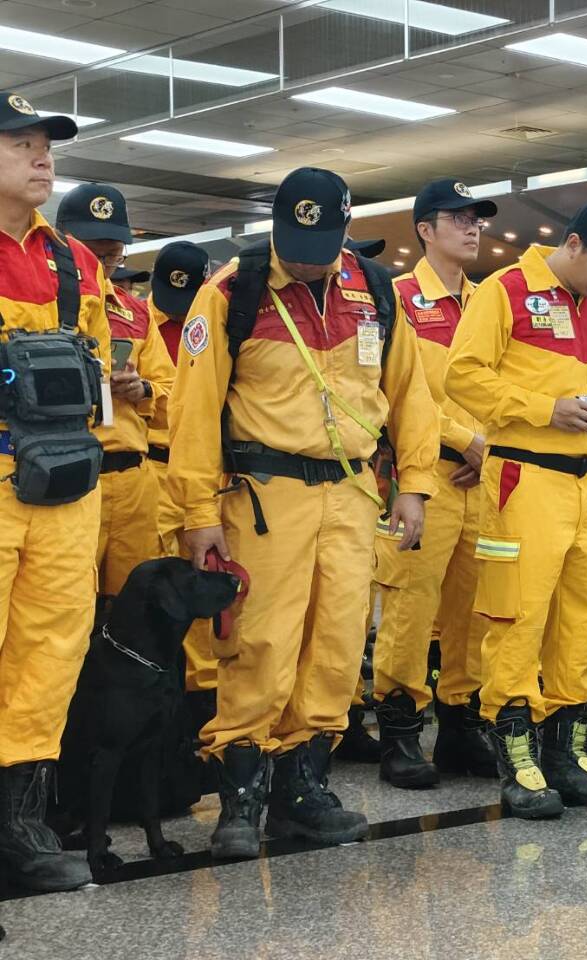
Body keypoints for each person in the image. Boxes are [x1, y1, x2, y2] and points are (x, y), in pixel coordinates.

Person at [169, 167, 439, 858]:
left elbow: (411, 395)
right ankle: (241, 796)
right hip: (264, 496)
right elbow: (194, 411)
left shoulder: (372, 291)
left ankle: (303, 789)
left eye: (321, 242)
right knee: (258, 643)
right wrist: (196, 513)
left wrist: (414, 483)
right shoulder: (232, 291)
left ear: (346, 228)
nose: (306, 257)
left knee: (338, 644)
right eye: (294, 241)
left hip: (351, 496)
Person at [445, 198, 587, 819]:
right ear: (576, 244)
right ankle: (516, 751)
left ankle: (567, 748)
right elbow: (462, 375)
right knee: (518, 614)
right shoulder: (505, 290)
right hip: (525, 479)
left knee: (585, 616)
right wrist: (544, 409)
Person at [0, 94, 110, 892]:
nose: (42, 158)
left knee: (51, 651)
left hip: (69, 489)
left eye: (46, 145)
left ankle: (20, 822)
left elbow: (96, 367)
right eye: (22, 144)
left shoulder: (76, 261)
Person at [372, 178, 497, 789]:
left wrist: (489, 446)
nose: (473, 228)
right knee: (410, 603)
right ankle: (398, 727)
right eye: (459, 218)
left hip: (485, 476)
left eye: (477, 219)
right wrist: (461, 438)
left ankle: (459, 724)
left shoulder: (487, 303)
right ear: (425, 229)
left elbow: (499, 385)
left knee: (474, 607)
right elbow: (396, 390)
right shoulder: (395, 298)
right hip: (424, 478)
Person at [57, 184, 175, 604]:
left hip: (133, 484)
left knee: (132, 605)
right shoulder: (43, 302)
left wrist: (142, 389)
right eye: (92, 253)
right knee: (66, 601)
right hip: (70, 480)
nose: (103, 265)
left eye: (113, 255)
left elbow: (173, 396)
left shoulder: (136, 313)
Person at [145, 241, 217, 699]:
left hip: (202, 473)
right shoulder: (136, 320)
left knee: (197, 587)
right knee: (144, 592)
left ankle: (194, 706)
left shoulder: (215, 317)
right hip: (149, 469)